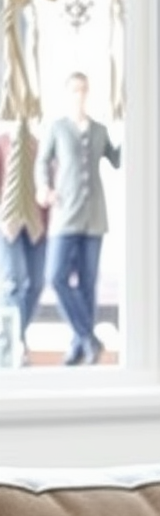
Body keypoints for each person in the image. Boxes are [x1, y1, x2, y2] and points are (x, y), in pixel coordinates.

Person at [35, 71, 120, 365]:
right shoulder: (56, 128)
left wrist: (130, 130)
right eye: (74, 90)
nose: (79, 95)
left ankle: (79, 347)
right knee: (55, 276)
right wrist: (43, 187)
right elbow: (41, 161)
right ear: (67, 93)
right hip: (64, 214)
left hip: (94, 216)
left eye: (83, 89)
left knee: (87, 284)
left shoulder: (99, 130)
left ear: (89, 92)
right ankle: (89, 338)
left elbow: (117, 160)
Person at [0, 118, 47, 363]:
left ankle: (15, 335)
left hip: (37, 225)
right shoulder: (3, 143)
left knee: (37, 283)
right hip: (9, 224)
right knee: (13, 283)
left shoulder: (40, 144)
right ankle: (14, 344)